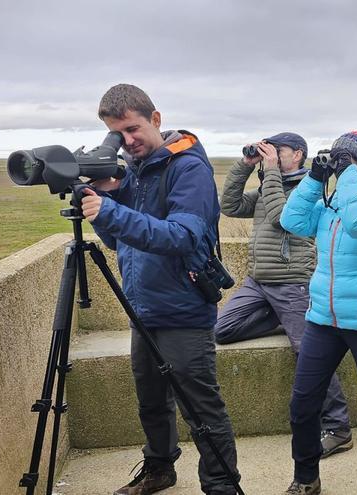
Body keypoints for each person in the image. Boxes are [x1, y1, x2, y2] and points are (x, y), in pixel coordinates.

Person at [81, 83, 239, 494]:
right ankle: (159, 469)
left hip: (184, 310)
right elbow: (120, 240)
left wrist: (112, 211)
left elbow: (183, 236)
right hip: (143, 309)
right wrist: (106, 200)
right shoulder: (134, 172)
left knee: (201, 409)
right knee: (151, 401)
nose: (127, 141)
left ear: (156, 119)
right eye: (118, 134)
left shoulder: (189, 169)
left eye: (133, 129)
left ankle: (221, 485)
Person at [280, 130, 357, 495]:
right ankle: (306, 477)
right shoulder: (333, 201)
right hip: (324, 319)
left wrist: (350, 172)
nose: (338, 167)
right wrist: (314, 178)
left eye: (344, 161)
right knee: (303, 402)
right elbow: (292, 221)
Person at [217, 131, 353, 458]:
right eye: (269, 151)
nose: (273, 155)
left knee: (309, 352)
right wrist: (246, 165)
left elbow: (283, 219)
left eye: (279, 151)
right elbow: (231, 205)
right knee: (222, 331)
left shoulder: (312, 188)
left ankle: (339, 427)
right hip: (259, 281)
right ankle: (283, 320)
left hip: (293, 281)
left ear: (299, 155)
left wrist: (271, 172)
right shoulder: (269, 185)